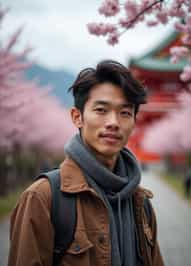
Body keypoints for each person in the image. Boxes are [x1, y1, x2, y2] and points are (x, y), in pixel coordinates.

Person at [8, 60, 164, 266]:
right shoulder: (43, 198)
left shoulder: (140, 202)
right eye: (101, 110)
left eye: (125, 113)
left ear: (134, 121)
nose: (113, 123)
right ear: (77, 117)